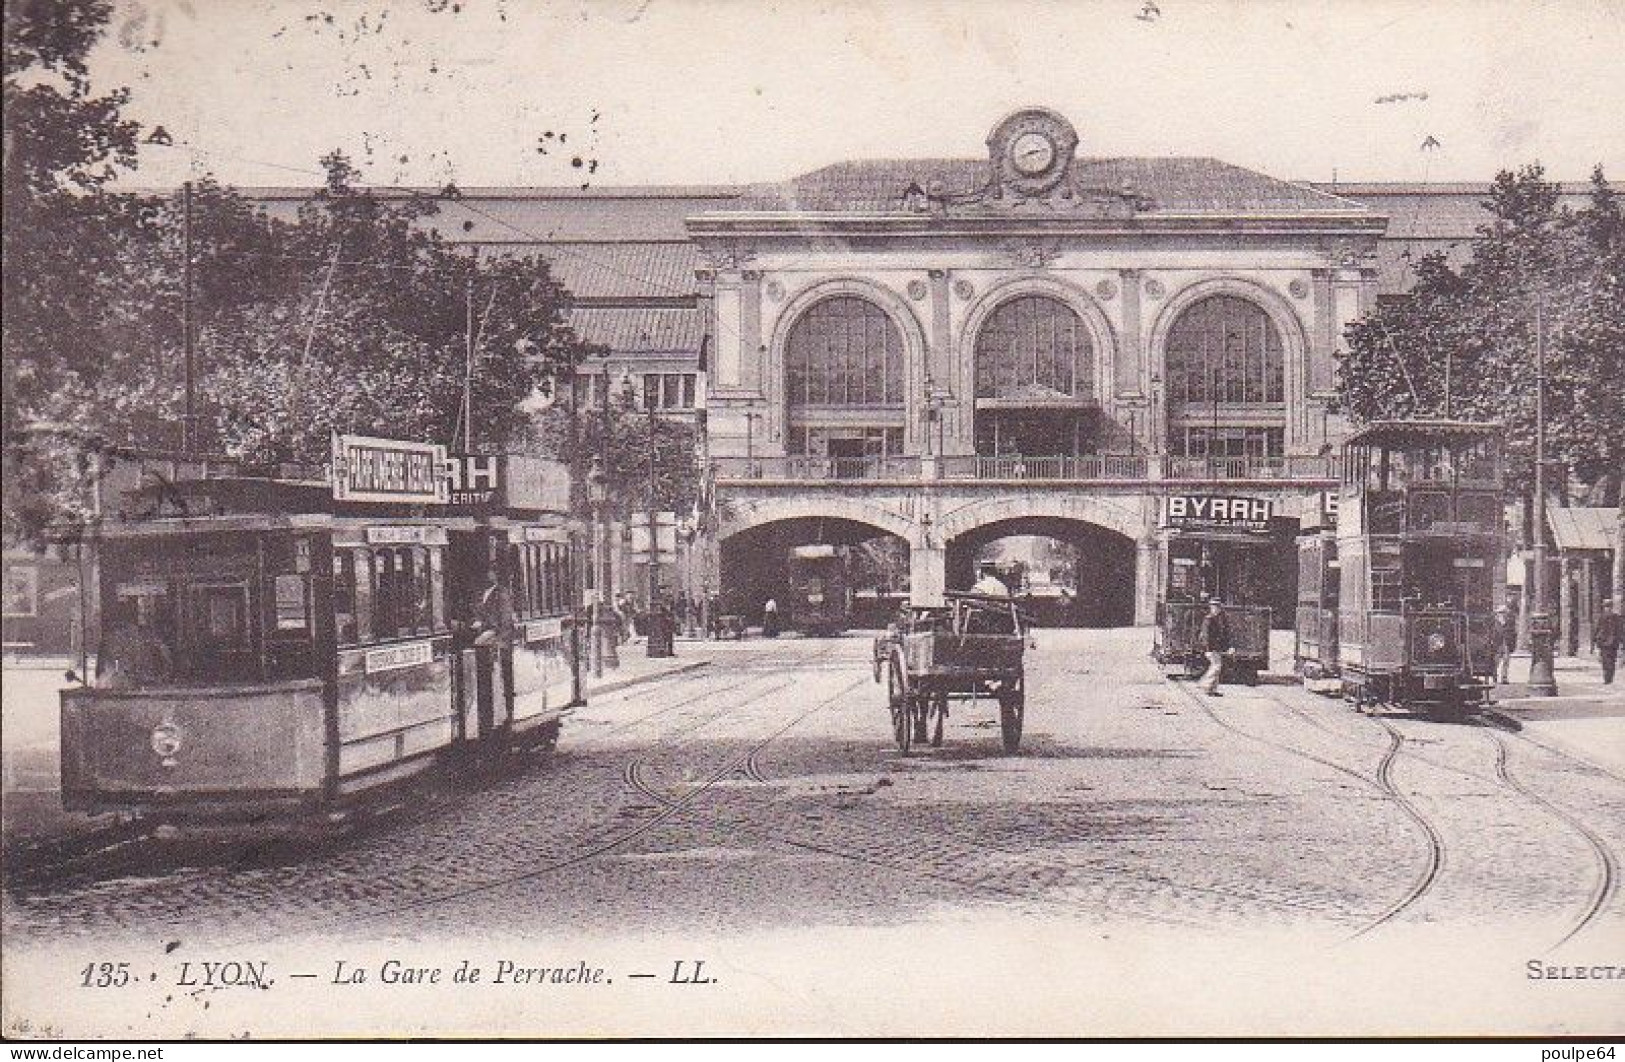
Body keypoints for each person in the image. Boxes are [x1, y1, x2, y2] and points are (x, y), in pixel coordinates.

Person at [1197, 597, 1232, 697]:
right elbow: (1205, 636)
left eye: (1218, 607)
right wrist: (1208, 649)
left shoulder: (1218, 619)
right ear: (1211, 608)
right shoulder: (1209, 619)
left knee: (1217, 667)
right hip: (1211, 648)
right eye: (1214, 607)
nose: (1217, 609)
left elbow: (1222, 635)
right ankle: (1204, 684)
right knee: (1216, 667)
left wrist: (1226, 647)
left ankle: (1211, 690)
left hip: (1216, 648)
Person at [1596, 599, 1621, 685]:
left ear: (1611, 607)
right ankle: (1608, 677)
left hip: (1609, 642)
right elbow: (1598, 629)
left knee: (1609, 661)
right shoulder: (1603, 617)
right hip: (1606, 642)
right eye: (1606, 606)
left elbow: (1619, 630)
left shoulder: (1615, 617)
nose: (1607, 608)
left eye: (1608, 606)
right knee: (1608, 661)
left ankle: (1608, 678)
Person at [1494, 605, 1515, 684]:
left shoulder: (1509, 622)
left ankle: (1504, 678)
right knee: (1496, 662)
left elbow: (1512, 633)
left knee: (1506, 661)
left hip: (1506, 644)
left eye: (1504, 612)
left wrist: (1511, 644)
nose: (1502, 614)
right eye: (1501, 612)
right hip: (1497, 644)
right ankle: (1494, 676)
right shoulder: (1495, 622)